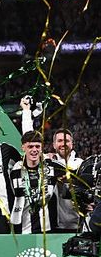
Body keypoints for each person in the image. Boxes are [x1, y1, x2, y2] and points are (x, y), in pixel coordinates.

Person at [20, 97, 83, 232]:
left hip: (79, 225)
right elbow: (29, 139)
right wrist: (26, 111)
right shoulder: (48, 163)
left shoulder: (80, 164)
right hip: (54, 225)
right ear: (54, 145)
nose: (63, 144)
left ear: (72, 144)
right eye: (59, 141)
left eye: (67, 141)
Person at [10, 131, 67, 234]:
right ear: (23, 147)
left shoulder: (52, 166)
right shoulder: (16, 170)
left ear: (42, 148)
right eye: (30, 147)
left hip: (48, 228)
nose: (34, 150)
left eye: (37, 146)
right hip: (22, 228)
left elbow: (74, 177)